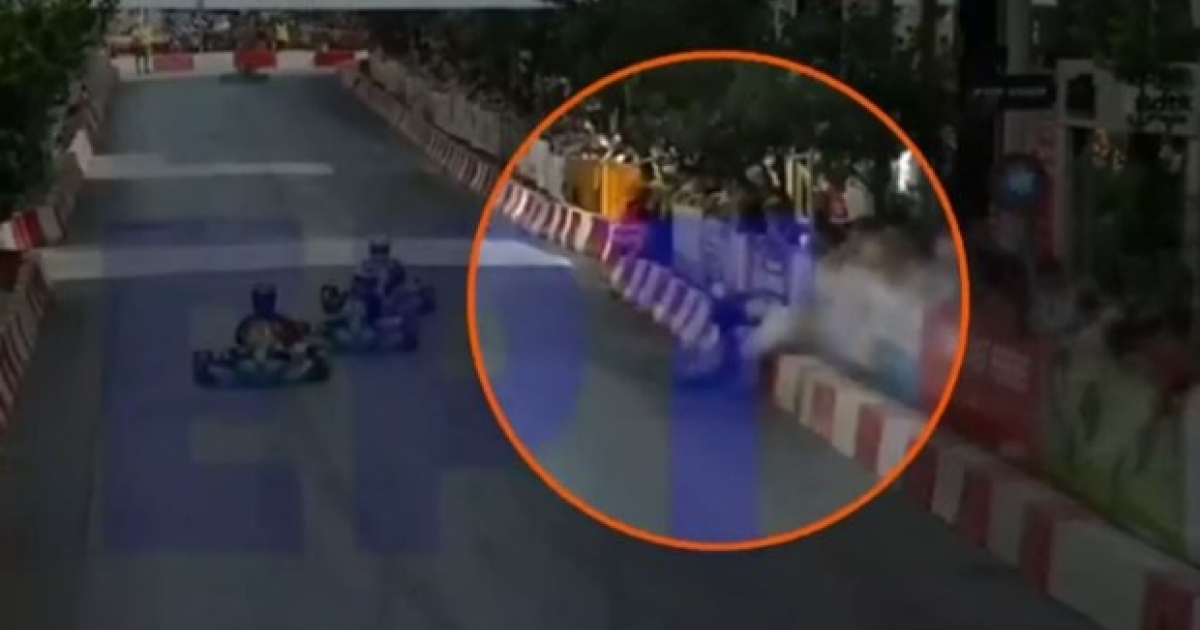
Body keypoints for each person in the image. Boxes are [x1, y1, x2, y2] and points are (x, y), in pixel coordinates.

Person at [234, 283, 307, 352]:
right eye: (260, 299)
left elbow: (297, 338)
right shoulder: (247, 323)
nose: (264, 303)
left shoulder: (284, 322)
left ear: (273, 300)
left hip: (277, 357)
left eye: (267, 300)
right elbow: (239, 341)